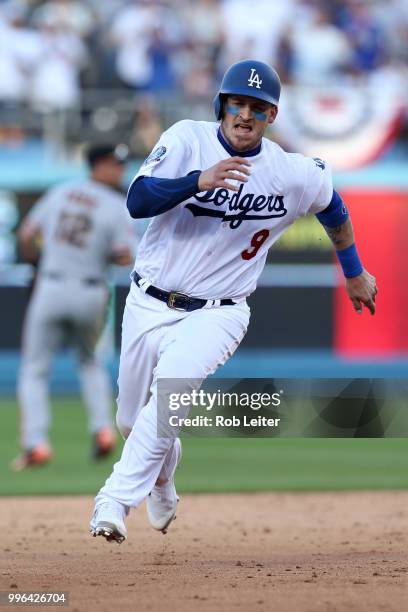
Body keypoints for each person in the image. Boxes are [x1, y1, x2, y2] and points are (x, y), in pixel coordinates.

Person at [90, 60, 377, 544]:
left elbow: (334, 209)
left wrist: (353, 272)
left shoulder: (291, 171)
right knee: (128, 420)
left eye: (258, 108)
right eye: (238, 103)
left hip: (220, 311)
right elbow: (138, 200)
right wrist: (197, 180)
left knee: (168, 403)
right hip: (148, 300)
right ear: (222, 105)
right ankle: (163, 475)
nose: (246, 115)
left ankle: (113, 501)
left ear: (272, 116)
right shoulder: (187, 139)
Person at [13, 144, 134, 471]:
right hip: (90, 289)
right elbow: (124, 256)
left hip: (51, 284)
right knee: (90, 362)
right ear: (96, 165)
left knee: (35, 368)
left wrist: (38, 261)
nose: (118, 170)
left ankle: (35, 443)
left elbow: (26, 235)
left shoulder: (61, 192)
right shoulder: (117, 206)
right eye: (113, 164)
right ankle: (102, 429)